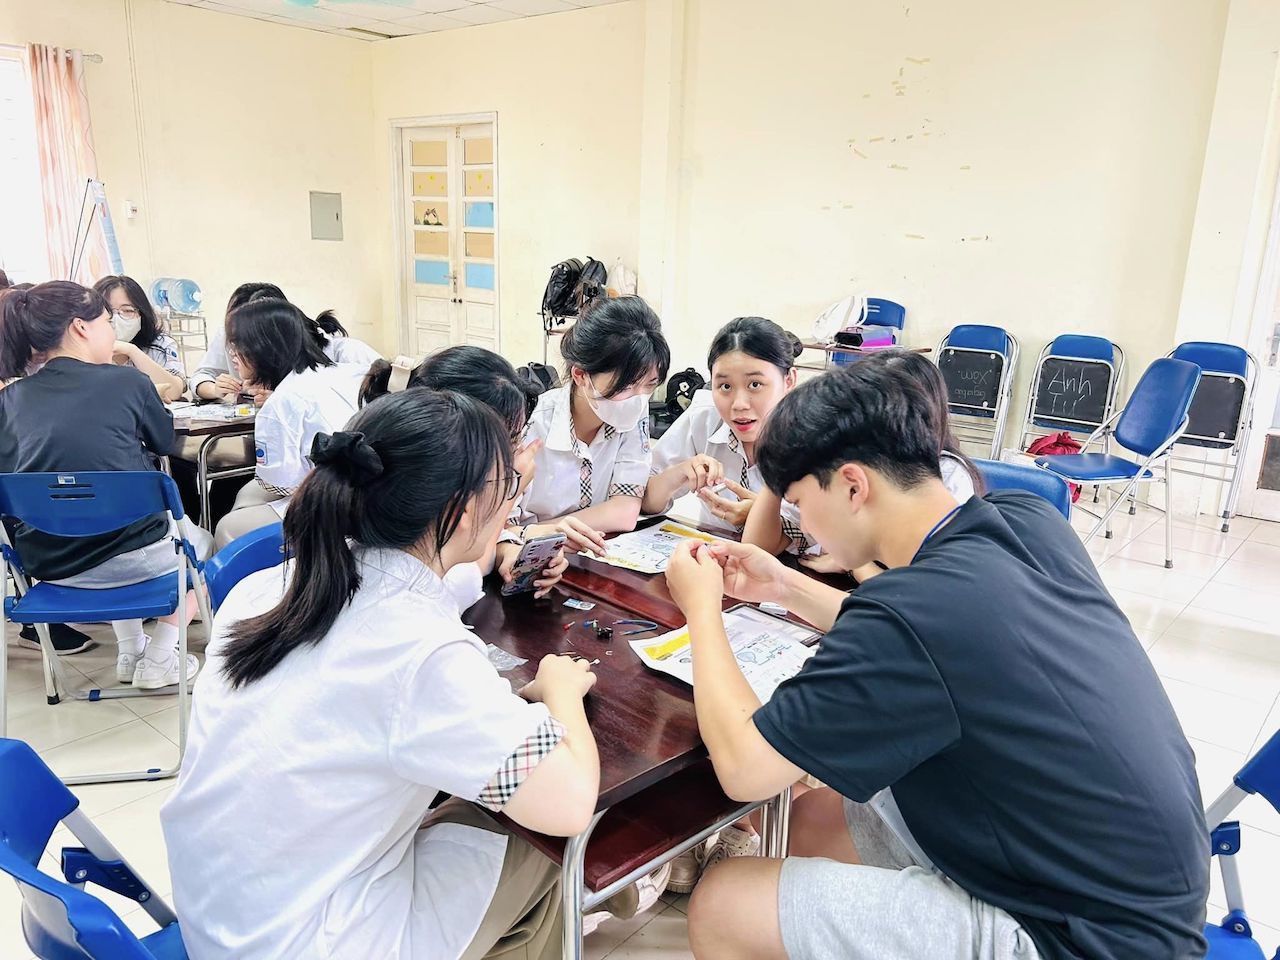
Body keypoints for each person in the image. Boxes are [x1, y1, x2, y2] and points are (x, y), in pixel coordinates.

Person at [662, 361, 1209, 960]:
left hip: (1085, 938)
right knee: (806, 821)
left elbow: (744, 769)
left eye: (799, 502)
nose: (802, 525)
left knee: (722, 908)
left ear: (852, 485)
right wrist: (786, 588)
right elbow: (939, 638)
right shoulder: (1028, 521)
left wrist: (703, 611)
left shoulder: (907, 610)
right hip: (1138, 884)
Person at [163, 390, 600, 960]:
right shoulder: (419, 647)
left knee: (475, 815)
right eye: (509, 489)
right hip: (309, 940)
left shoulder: (265, 589)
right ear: (462, 513)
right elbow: (568, 803)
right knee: (540, 841)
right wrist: (562, 694)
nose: (513, 505)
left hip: (222, 919)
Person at [0, 281, 212, 682]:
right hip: (138, 561)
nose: (114, 331)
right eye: (108, 321)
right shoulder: (127, 383)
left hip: (51, 567)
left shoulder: (9, 401)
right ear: (81, 327)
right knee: (202, 544)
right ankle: (162, 657)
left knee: (108, 524)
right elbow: (165, 441)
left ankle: (131, 652)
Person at [744, 346, 982, 580]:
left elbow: (917, 594)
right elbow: (759, 549)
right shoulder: (837, 475)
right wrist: (784, 464)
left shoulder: (944, 477)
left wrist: (858, 567)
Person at [360, 346, 568, 606]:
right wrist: (509, 487)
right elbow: (465, 572)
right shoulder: (422, 498)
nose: (516, 452)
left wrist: (508, 550)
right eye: (509, 442)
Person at [515, 296, 670, 557]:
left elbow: (624, 512)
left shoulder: (632, 412)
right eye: (626, 385)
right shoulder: (530, 424)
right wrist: (542, 535)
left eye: (650, 385)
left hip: (588, 561)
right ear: (580, 375)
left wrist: (549, 532)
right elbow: (498, 528)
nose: (639, 398)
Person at [212, 297, 366, 549]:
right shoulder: (346, 372)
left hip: (332, 506)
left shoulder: (280, 403)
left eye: (236, 346)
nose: (233, 356)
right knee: (246, 499)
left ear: (260, 349)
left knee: (229, 527)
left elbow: (281, 485)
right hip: (367, 494)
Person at [644, 317, 802, 535]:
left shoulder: (814, 435)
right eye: (725, 386)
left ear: (789, 381)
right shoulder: (704, 417)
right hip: (715, 556)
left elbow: (832, 534)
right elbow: (644, 501)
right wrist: (679, 473)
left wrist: (762, 517)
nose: (739, 404)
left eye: (755, 385)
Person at [189, 282, 380, 401]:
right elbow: (200, 376)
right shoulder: (229, 338)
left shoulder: (348, 354)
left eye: (244, 340)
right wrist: (214, 388)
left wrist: (286, 403)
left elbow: (389, 394)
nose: (234, 352)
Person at [92, 275, 187, 401]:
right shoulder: (82, 348)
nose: (116, 318)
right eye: (107, 311)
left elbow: (173, 392)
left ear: (141, 314)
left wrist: (132, 351)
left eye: (127, 310)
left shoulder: (160, 344)